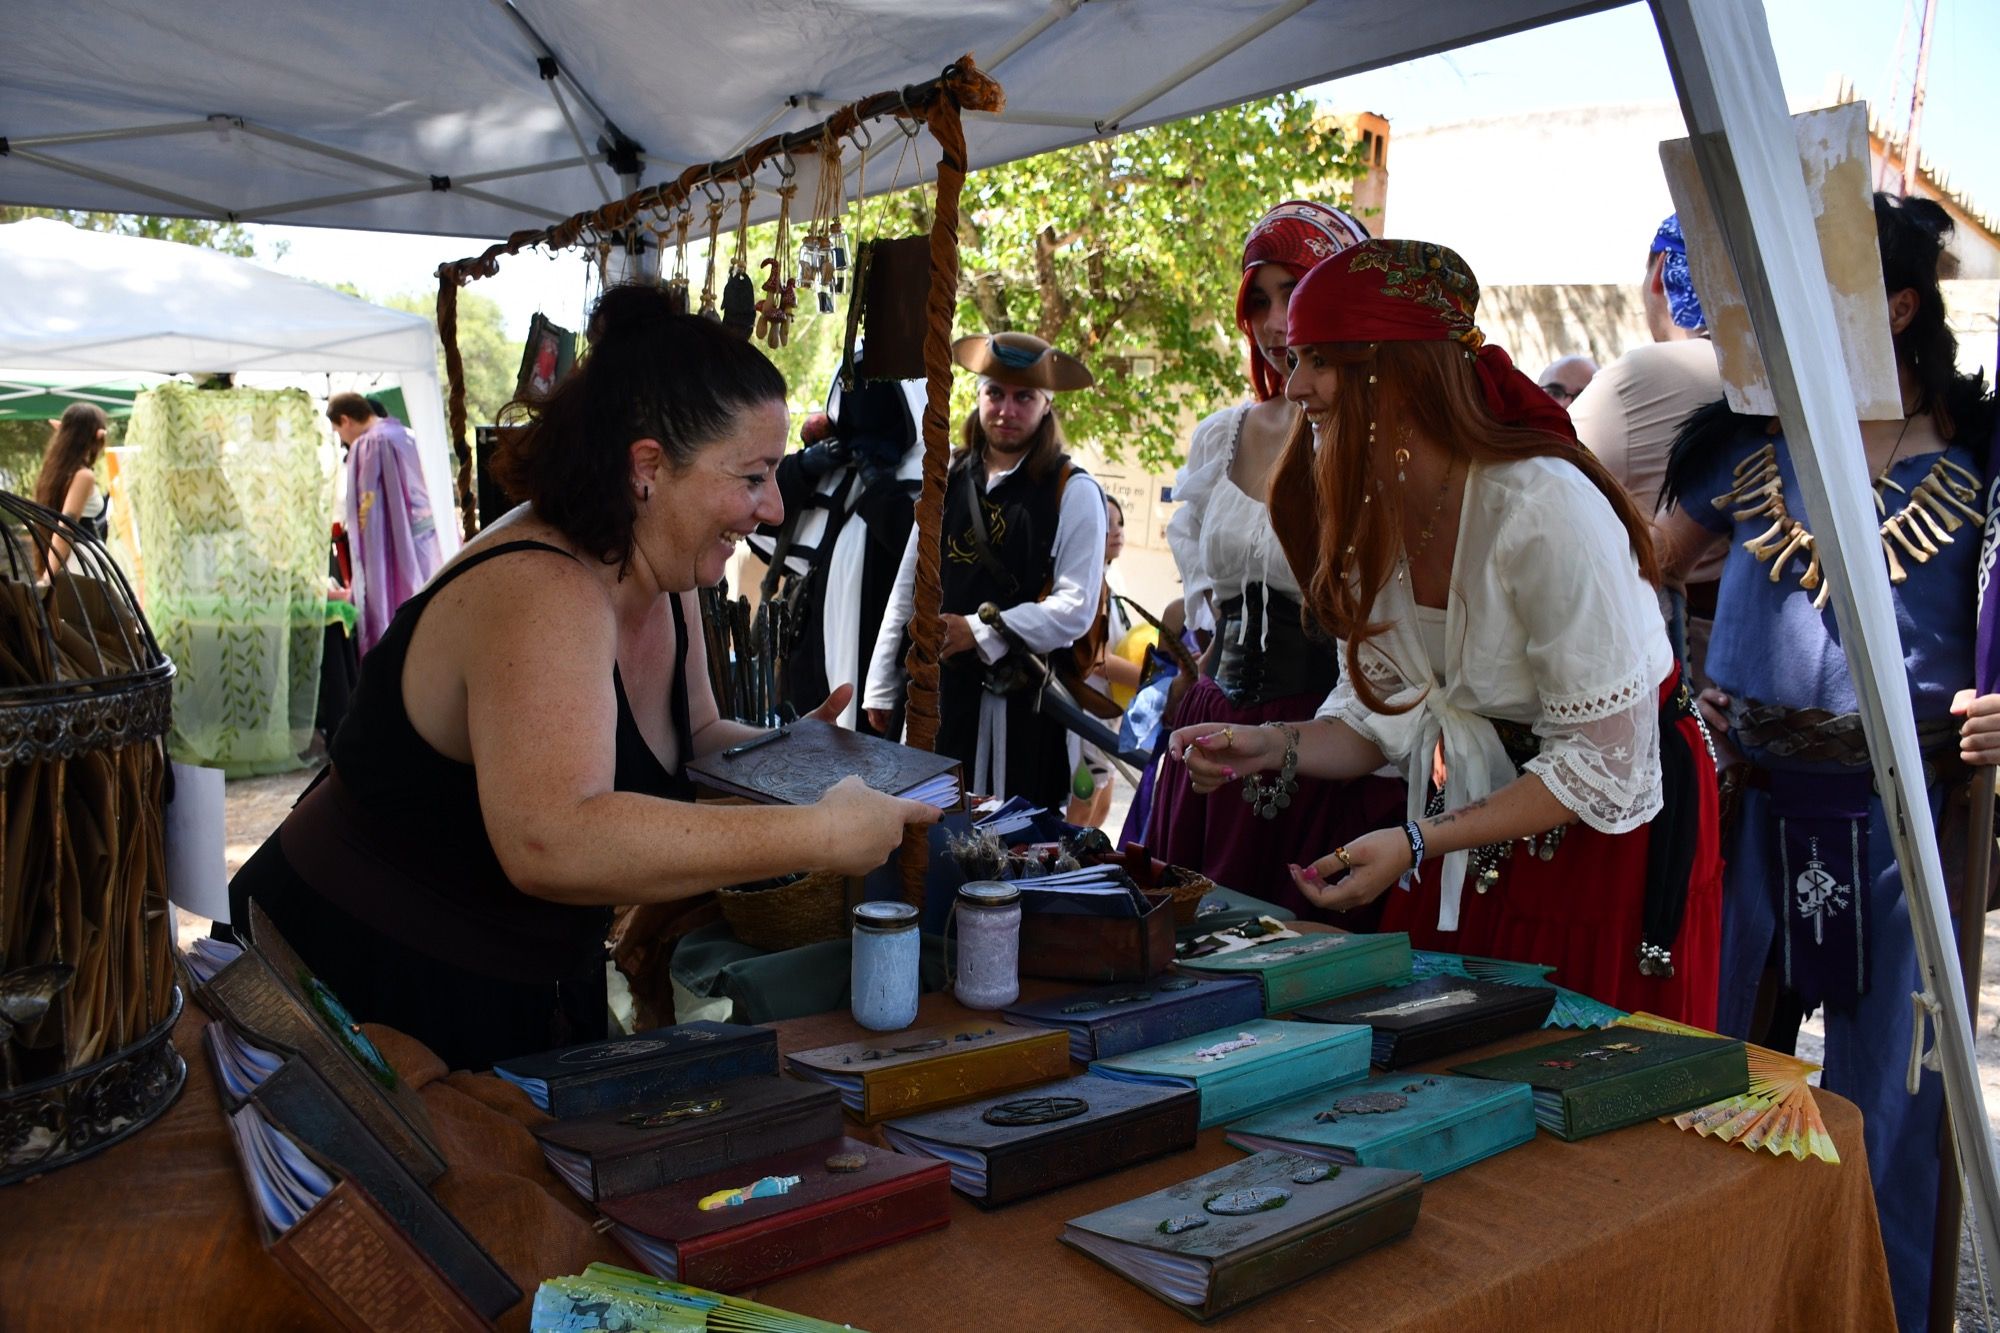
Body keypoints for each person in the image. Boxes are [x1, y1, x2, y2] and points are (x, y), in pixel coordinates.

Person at [232, 287, 939, 1071]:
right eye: (753, 476)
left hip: (505, 977)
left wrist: (802, 759)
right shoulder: (544, 587)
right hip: (356, 982)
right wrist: (817, 834)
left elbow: (696, 738)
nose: (774, 509)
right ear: (647, 467)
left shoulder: (660, 577)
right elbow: (552, 837)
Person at [1173, 238, 1723, 1026]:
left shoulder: (1541, 507)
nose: (1295, 388)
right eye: (1296, 361)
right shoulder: (1373, 504)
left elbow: (1602, 764)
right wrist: (1276, 746)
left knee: (1564, 1073)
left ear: (1396, 374)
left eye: (1320, 361)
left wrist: (1419, 840)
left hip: (1608, 838)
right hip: (1470, 822)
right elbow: (1384, 710)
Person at [1655, 193, 1998, 1333]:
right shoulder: (1753, 444)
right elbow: (1634, 565)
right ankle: (1725, 1295)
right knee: (1711, 1075)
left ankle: (1879, 1316)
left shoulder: (1979, 462)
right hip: (1751, 803)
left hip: (1907, 824)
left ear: (1895, 306)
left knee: (1892, 1112)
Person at [1153, 200, 1405, 921]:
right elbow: (1198, 563)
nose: (1272, 324)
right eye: (1257, 300)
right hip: (1214, 736)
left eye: (1293, 293)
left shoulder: (1382, 450)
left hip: (1331, 749)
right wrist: (1202, 649)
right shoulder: (1221, 436)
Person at [863, 332, 1106, 808]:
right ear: (979, 397)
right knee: (919, 830)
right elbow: (908, 586)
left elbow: (1075, 608)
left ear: (1046, 405)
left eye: (1023, 398)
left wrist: (978, 631)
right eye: (995, 393)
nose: (1006, 410)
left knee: (1001, 853)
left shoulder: (1073, 491)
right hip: (935, 694)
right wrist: (881, 685)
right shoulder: (947, 477)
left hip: (1016, 712)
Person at [1571, 214, 1725, 680]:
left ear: (1660, 272)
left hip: (1657, 659)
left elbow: (1544, 495)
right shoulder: (1788, 382)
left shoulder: (1638, 378)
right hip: (1755, 656)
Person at [747, 374, 925, 733]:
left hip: (877, 647)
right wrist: (805, 467)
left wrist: (881, 489)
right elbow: (762, 517)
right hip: (810, 640)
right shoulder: (832, 463)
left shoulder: (926, 473)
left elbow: (923, 559)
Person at [326, 391, 444, 655]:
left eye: (337, 430)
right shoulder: (409, 435)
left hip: (396, 545)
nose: (342, 438)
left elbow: (369, 509)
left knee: (395, 617)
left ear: (345, 420)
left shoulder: (370, 444)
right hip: (428, 542)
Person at [1066, 492, 1138, 827]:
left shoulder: (1111, 579)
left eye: (1120, 522)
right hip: (1088, 715)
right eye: (1107, 524)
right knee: (1082, 809)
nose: (1117, 530)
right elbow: (1094, 660)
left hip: (1108, 716)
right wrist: (1147, 678)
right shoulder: (1089, 582)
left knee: (1103, 807)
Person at [32, 402, 110, 575]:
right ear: (97, 436)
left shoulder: (55, 472)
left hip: (71, 560)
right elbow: (65, 529)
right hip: (82, 561)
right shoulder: (83, 476)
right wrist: (48, 577)